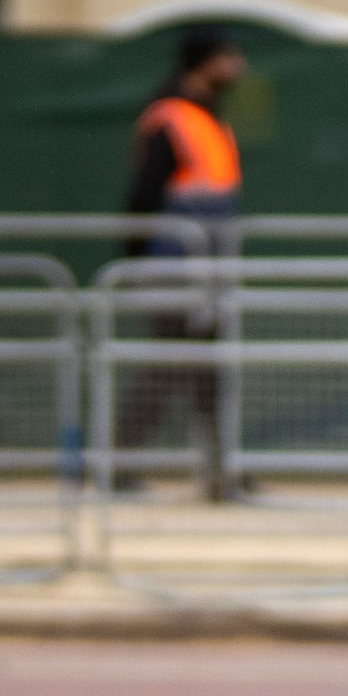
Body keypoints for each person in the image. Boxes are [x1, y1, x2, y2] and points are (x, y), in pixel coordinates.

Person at [113, 28, 250, 501]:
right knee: (169, 363)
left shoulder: (209, 118)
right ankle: (118, 463)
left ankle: (220, 470)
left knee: (207, 369)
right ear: (204, 62)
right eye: (228, 57)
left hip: (208, 266)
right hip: (174, 265)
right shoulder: (172, 118)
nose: (237, 68)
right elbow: (142, 197)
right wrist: (135, 263)